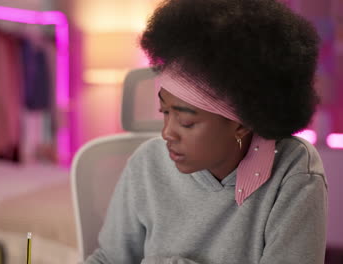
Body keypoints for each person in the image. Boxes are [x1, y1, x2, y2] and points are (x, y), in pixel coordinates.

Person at [83, 0, 328, 263]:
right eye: (165, 112)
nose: (167, 133)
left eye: (187, 122)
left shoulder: (294, 173)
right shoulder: (147, 163)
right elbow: (110, 258)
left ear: (242, 122)